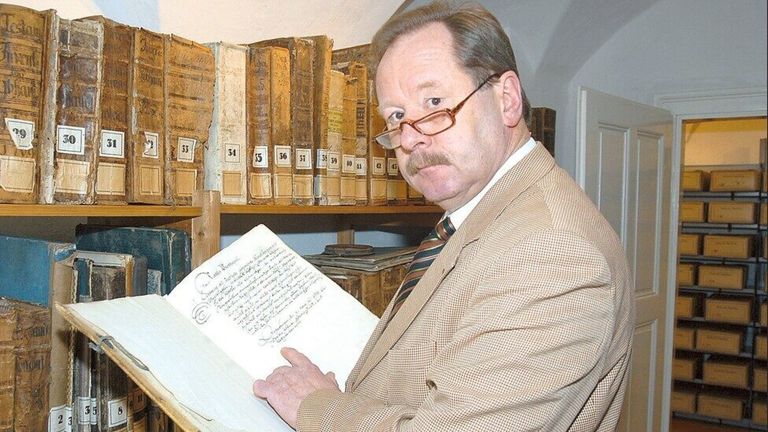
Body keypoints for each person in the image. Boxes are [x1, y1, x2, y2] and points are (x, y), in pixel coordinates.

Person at [253, 1, 634, 430]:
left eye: (434, 101)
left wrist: (315, 405)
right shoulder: (479, 213)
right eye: (396, 116)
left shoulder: (552, 252)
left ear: (507, 99)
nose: (412, 137)